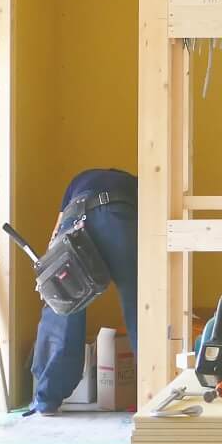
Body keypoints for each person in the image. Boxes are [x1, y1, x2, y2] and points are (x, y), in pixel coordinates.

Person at [28, 167, 138, 415]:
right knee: (140, 304)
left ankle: (46, 399)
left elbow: (56, 231)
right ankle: (153, 394)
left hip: (76, 218)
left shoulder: (78, 180)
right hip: (120, 218)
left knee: (65, 306)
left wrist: (50, 278)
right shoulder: (135, 185)